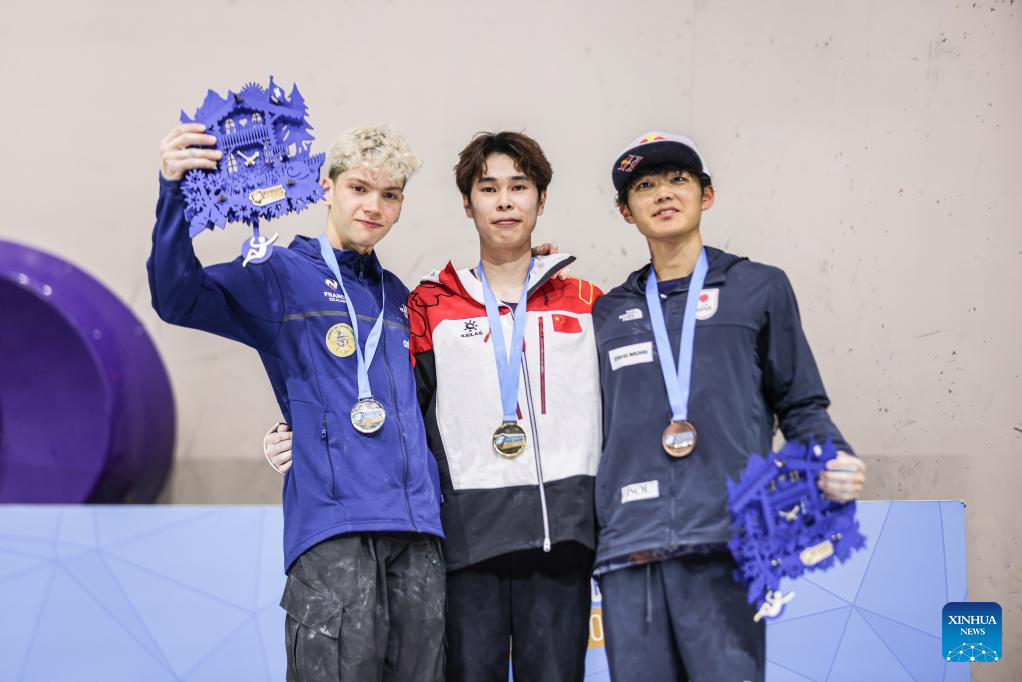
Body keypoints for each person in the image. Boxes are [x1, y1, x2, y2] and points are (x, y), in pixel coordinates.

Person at [267, 131, 602, 681]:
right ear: (467, 204)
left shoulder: (588, 303)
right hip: (465, 546)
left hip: (560, 541)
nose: (504, 201)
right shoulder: (428, 306)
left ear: (542, 199)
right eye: (488, 188)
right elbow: (383, 397)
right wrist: (299, 429)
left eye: (519, 186)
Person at [150, 123, 445, 682]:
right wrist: (174, 193)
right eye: (359, 188)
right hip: (334, 531)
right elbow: (177, 297)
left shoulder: (401, 299)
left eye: (389, 194)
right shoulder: (280, 274)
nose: (373, 206)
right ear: (326, 187)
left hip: (419, 534)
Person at [591, 131, 868, 682]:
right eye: (644, 186)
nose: (663, 193)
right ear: (626, 211)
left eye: (678, 180)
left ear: (707, 195)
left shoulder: (758, 288)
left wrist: (832, 454)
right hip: (630, 549)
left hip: (729, 541)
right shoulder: (605, 313)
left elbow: (801, 401)